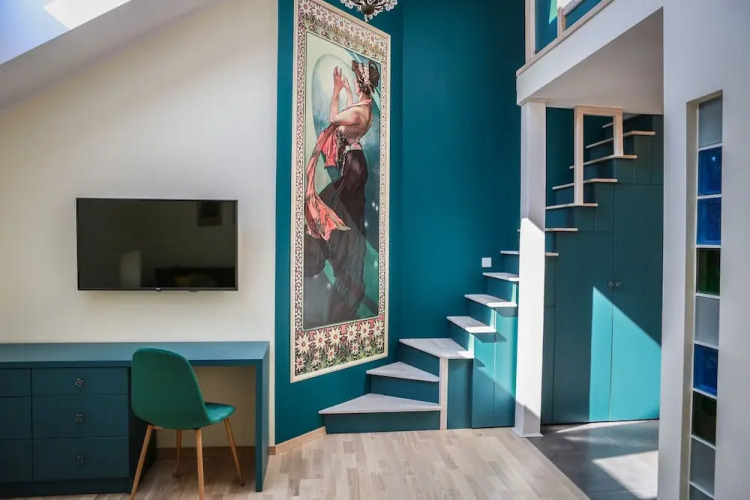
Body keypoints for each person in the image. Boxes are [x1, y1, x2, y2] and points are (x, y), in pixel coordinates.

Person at [304, 59, 381, 325]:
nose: (353, 83)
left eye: (355, 81)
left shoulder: (359, 112)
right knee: (341, 215)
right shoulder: (364, 108)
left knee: (331, 207)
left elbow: (334, 119)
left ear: (361, 84)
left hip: (354, 168)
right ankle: (332, 249)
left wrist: (336, 91)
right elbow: (351, 123)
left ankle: (330, 252)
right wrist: (348, 94)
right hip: (355, 164)